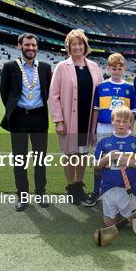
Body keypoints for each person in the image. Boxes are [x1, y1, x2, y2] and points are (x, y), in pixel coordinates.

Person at [49, 29, 103, 207]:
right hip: (68, 119)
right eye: (74, 44)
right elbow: (53, 96)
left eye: (80, 43)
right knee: (69, 154)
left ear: (85, 46)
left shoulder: (94, 66)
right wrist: (58, 120)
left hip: (87, 119)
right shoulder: (62, 67)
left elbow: (101, 94)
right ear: (68, 47)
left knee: (82, 154)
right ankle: (71, 187)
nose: (77, 47)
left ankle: (79, 186)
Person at [0, 33, 52, 211]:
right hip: (19, 117)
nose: (31, 48)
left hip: (39, 117)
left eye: (34, 45)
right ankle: (22, 195)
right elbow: (4, 93)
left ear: (37, 48)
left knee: (40, 159)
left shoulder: (45, 67)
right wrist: (14, 110)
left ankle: (41, 193)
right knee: (19, 160)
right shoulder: (9, 66)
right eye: (27, 45)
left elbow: (49, 92)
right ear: (20, 46)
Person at [89, 52, 136, 203]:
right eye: (113, 68)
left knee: (121, 158)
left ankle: (123, 188)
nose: (117, 71)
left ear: (124, 69)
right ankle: (97, 191)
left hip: (123, 129)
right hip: (103, 127)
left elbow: (132, 113)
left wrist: (132, 131)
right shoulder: (101, 87)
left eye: (119, 68)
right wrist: (93, 130)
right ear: (108, 68)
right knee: (101, 160)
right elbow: (96, 110)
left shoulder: (129, 88)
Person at [92, 106, 136, 227]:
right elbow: (95, 166)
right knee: (109, 224)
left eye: (125, 121)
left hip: (130, 190)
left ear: (130, 122)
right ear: (112, 120)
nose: (121, 124)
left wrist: (125, 160)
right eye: (118, 121)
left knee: (129, 225)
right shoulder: (104, 141)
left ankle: (135, 208)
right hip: (109, 188)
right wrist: (109, 157)